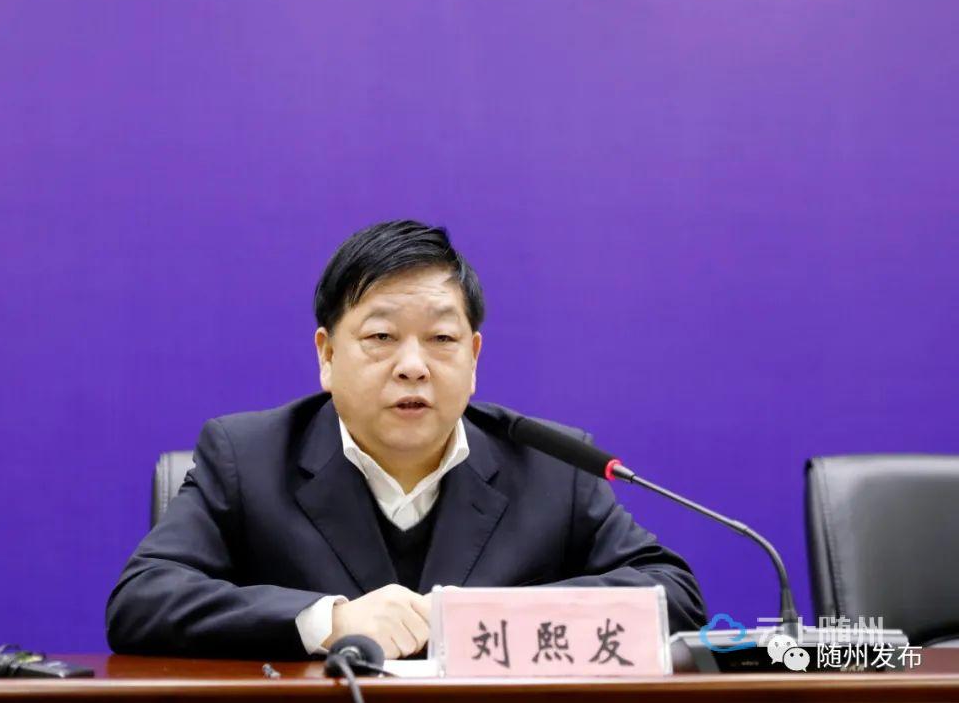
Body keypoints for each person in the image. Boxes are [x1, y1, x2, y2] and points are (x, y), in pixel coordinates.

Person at [105, 219, 707, 659]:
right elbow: (144, 599)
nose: (414, 366)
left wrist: (487, 620)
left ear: (473, 358)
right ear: (327, 355)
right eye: (382, 337)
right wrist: (329, 621)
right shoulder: (248, 457)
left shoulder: (551, 466)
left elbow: (674, 596)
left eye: (442, 340)